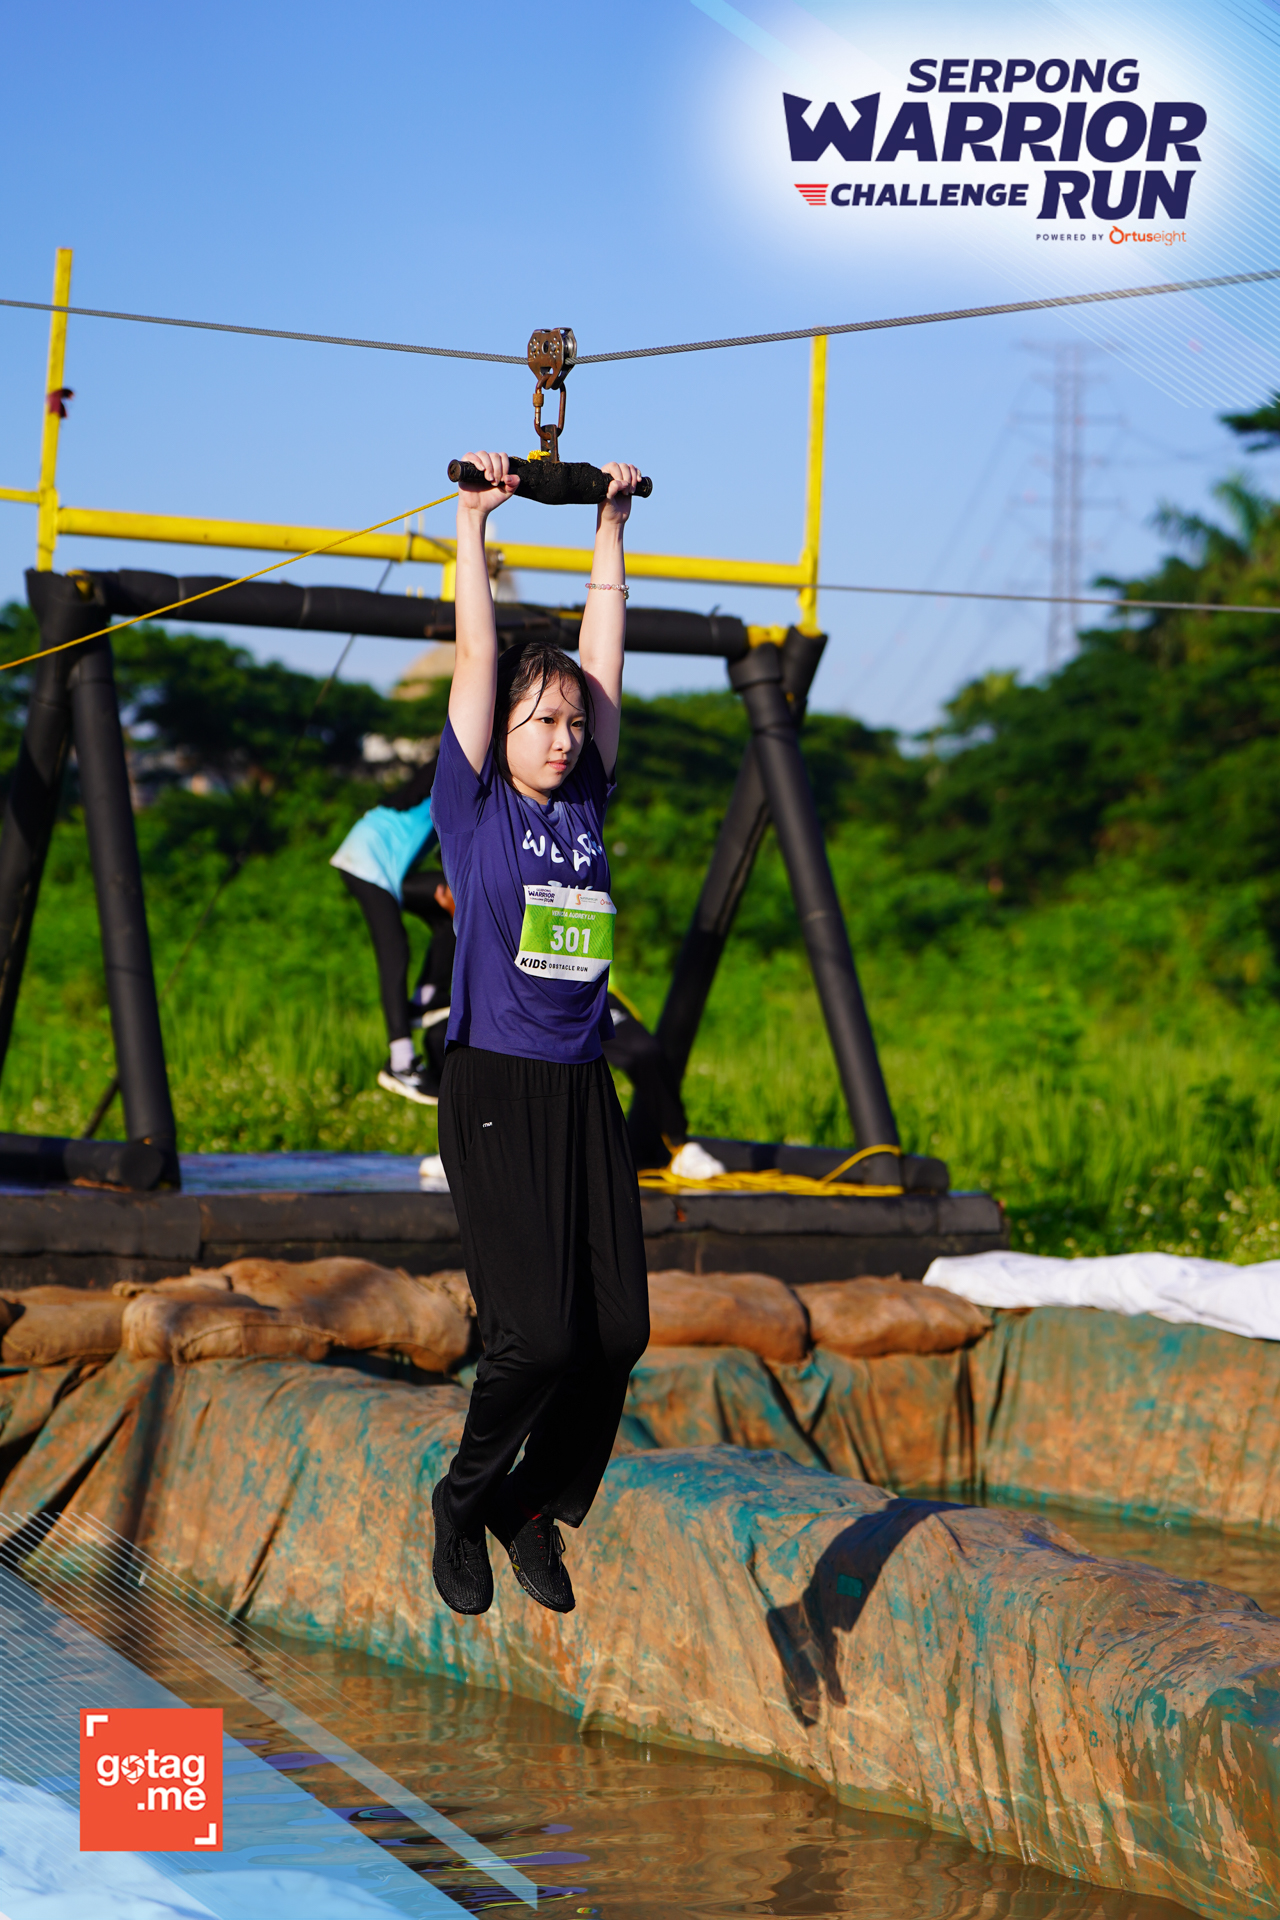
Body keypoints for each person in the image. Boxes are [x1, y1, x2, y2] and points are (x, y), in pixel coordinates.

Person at [428, 448, 649, 1618]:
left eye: (572, 723)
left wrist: (607, 524)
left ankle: (529, 1508)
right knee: (536, 1341)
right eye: (541, 721)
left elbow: (602, 655)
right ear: (501, 732)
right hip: (497, 1087)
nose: (563, 738)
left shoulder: (588, 799)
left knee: (617, 1333)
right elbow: (478, 654)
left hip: (578, 1087)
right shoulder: (472, 808)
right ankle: (461, 1502)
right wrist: (473, 525)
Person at [330, 763, 451, 1104]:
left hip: (395, 870)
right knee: (395, 953)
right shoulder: (459, 764)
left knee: (458, 908)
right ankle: (400, 1063)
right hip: (367, 858)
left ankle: (425, 1000)